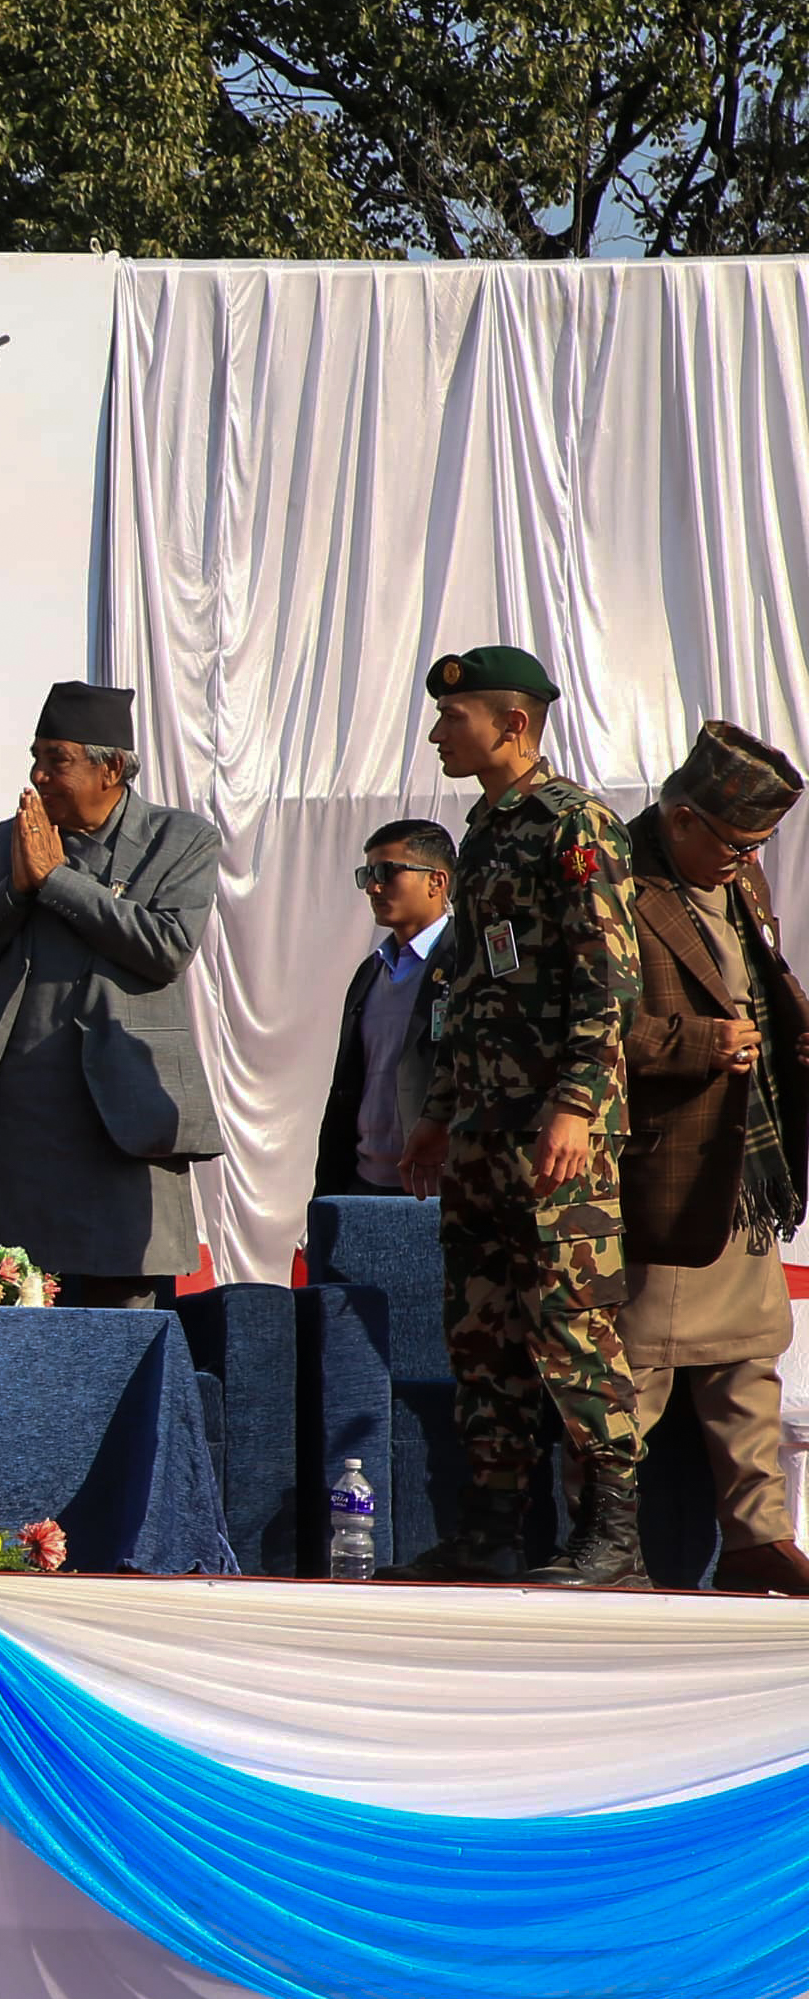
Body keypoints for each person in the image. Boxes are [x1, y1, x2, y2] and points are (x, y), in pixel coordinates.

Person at [394, 645, 645, 1584]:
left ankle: (614, 1536)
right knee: (484, 1330)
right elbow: (467, 985)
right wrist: (439, 1109)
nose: (437, 733)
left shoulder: (574, 824)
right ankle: (494, 1530)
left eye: (453, 718)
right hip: (483, 1128)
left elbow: (608, 981)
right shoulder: (485, 831)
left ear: (513, 723)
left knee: (574, 1327)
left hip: (554, 1134)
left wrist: (576, 1105)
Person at [0, 683, 225, 1308]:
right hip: (19, 1128)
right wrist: (16, 889)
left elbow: (168, 946)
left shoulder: (179, 839)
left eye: (57, 760)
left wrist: (58, 881)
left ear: (111, 768)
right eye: (35, 758)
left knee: (118, 1330)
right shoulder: (12, 840)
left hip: (120, 1124)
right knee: (11, 1320)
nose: (38, 776)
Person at [617, 724, 809, 1596]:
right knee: (638, 1363)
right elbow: (576, 1031)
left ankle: (759, 1537)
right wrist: (696, 1042)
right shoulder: (616, 884)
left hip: (745, 1165)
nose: (747, 861)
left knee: (750, 1357)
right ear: (682, 818)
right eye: (735, 843)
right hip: (664, 1165)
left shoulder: (738, 878)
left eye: (758, 845)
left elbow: (758, 985)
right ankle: (607, 1541)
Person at [312, 820, 454, 1197]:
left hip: (439, 1185)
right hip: (365, 1181)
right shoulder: (372, 971)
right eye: (368, 875)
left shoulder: (468, 963)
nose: (373, 887)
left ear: (436, 881)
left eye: (386, 873)